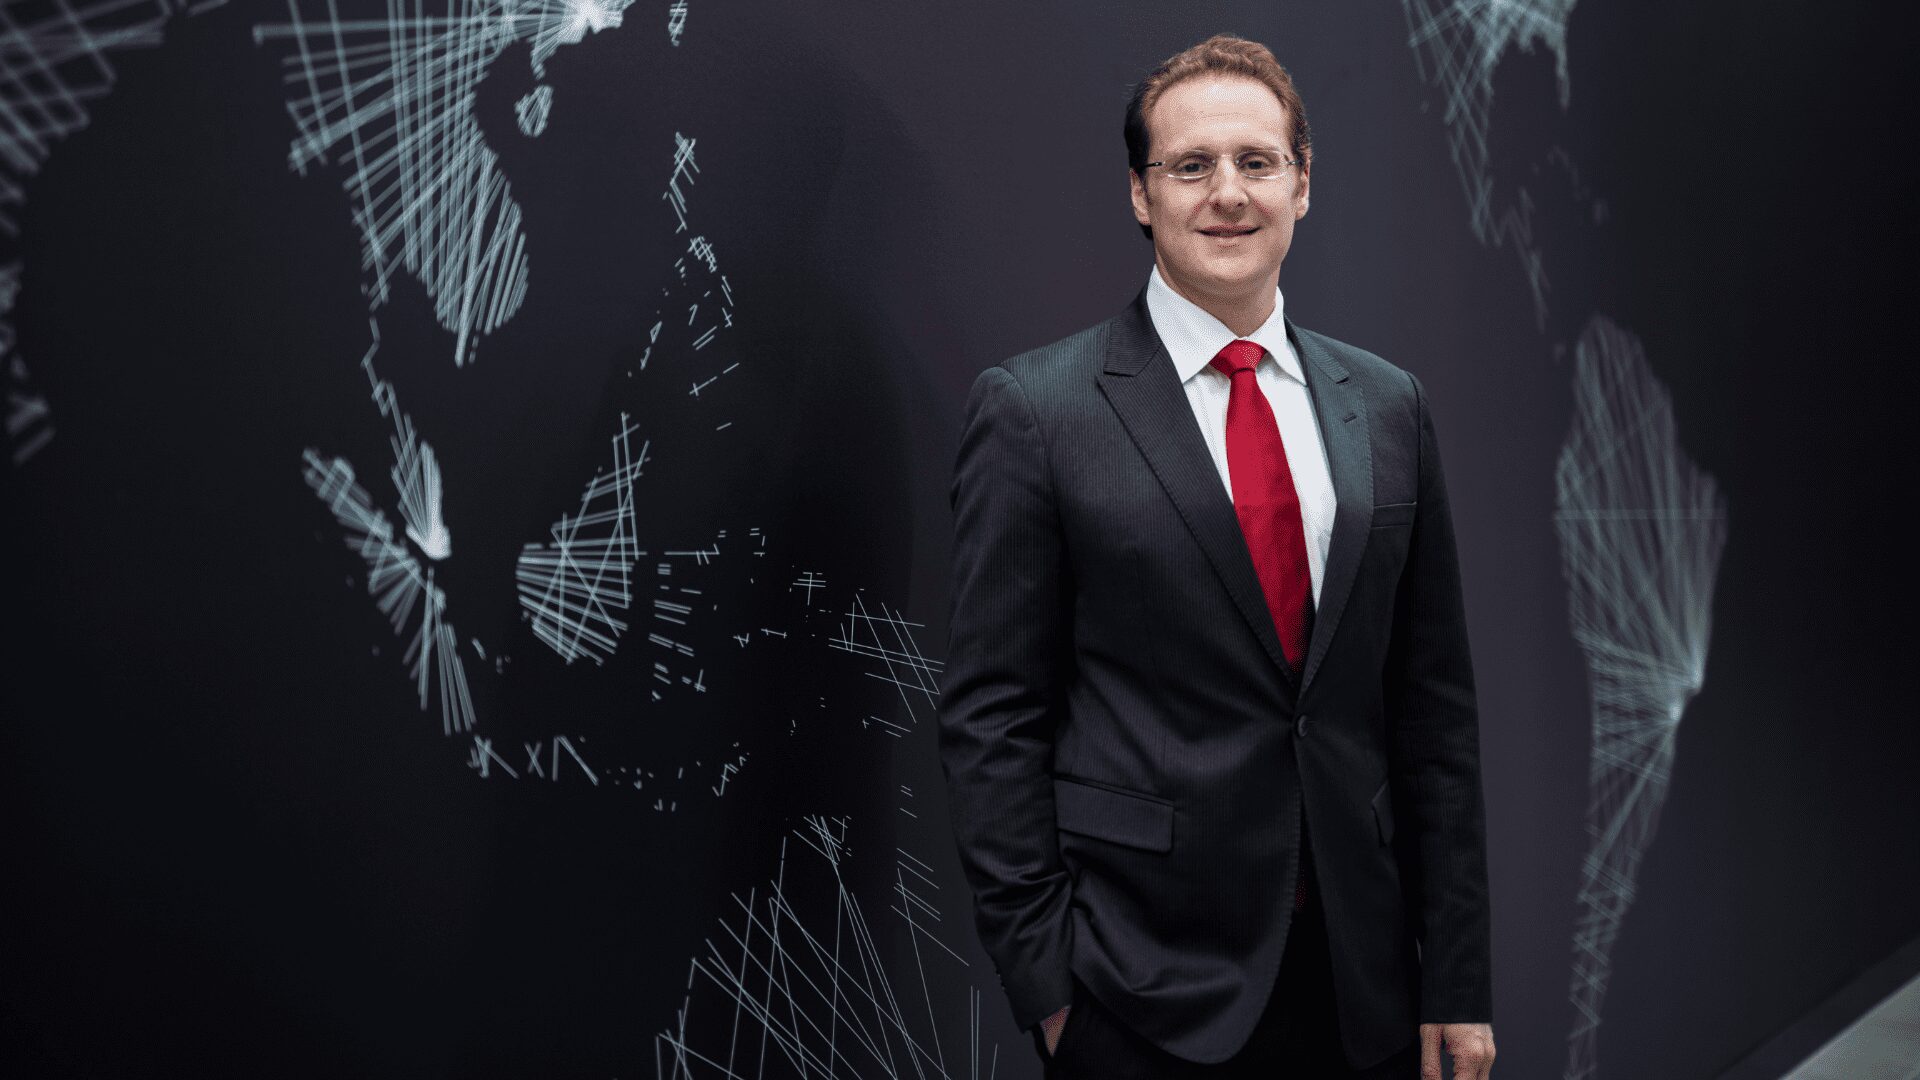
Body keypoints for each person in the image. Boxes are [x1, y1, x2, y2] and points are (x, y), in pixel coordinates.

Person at [937, 34, 1497, 1079]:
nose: (1228, 193)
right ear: (1141, 195)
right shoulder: (1037, 412)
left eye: (1257, 161)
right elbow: (991, 720)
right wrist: (1050, 992)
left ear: (1303, 183)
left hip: (1364, 982)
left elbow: (1435, 714)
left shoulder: (1388, 406)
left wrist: (1457, 977)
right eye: (1191, 165)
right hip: (1138, 992)